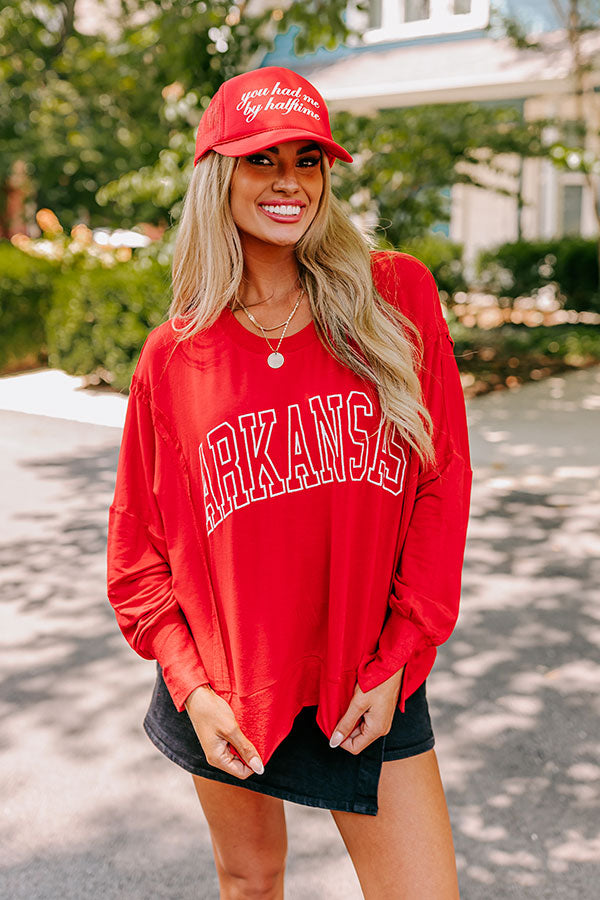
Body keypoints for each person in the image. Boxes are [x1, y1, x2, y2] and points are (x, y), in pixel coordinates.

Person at [106, 65, 473, 899]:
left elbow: (442, 484)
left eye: (309, 161)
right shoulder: (174, 357)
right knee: (249, 879)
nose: (289, 183)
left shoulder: (395, 298)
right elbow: (136, 559)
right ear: (216, 176)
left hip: (370, 676)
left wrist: (400, 658)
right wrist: (192, 689)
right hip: (228, 686)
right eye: (262, 159)